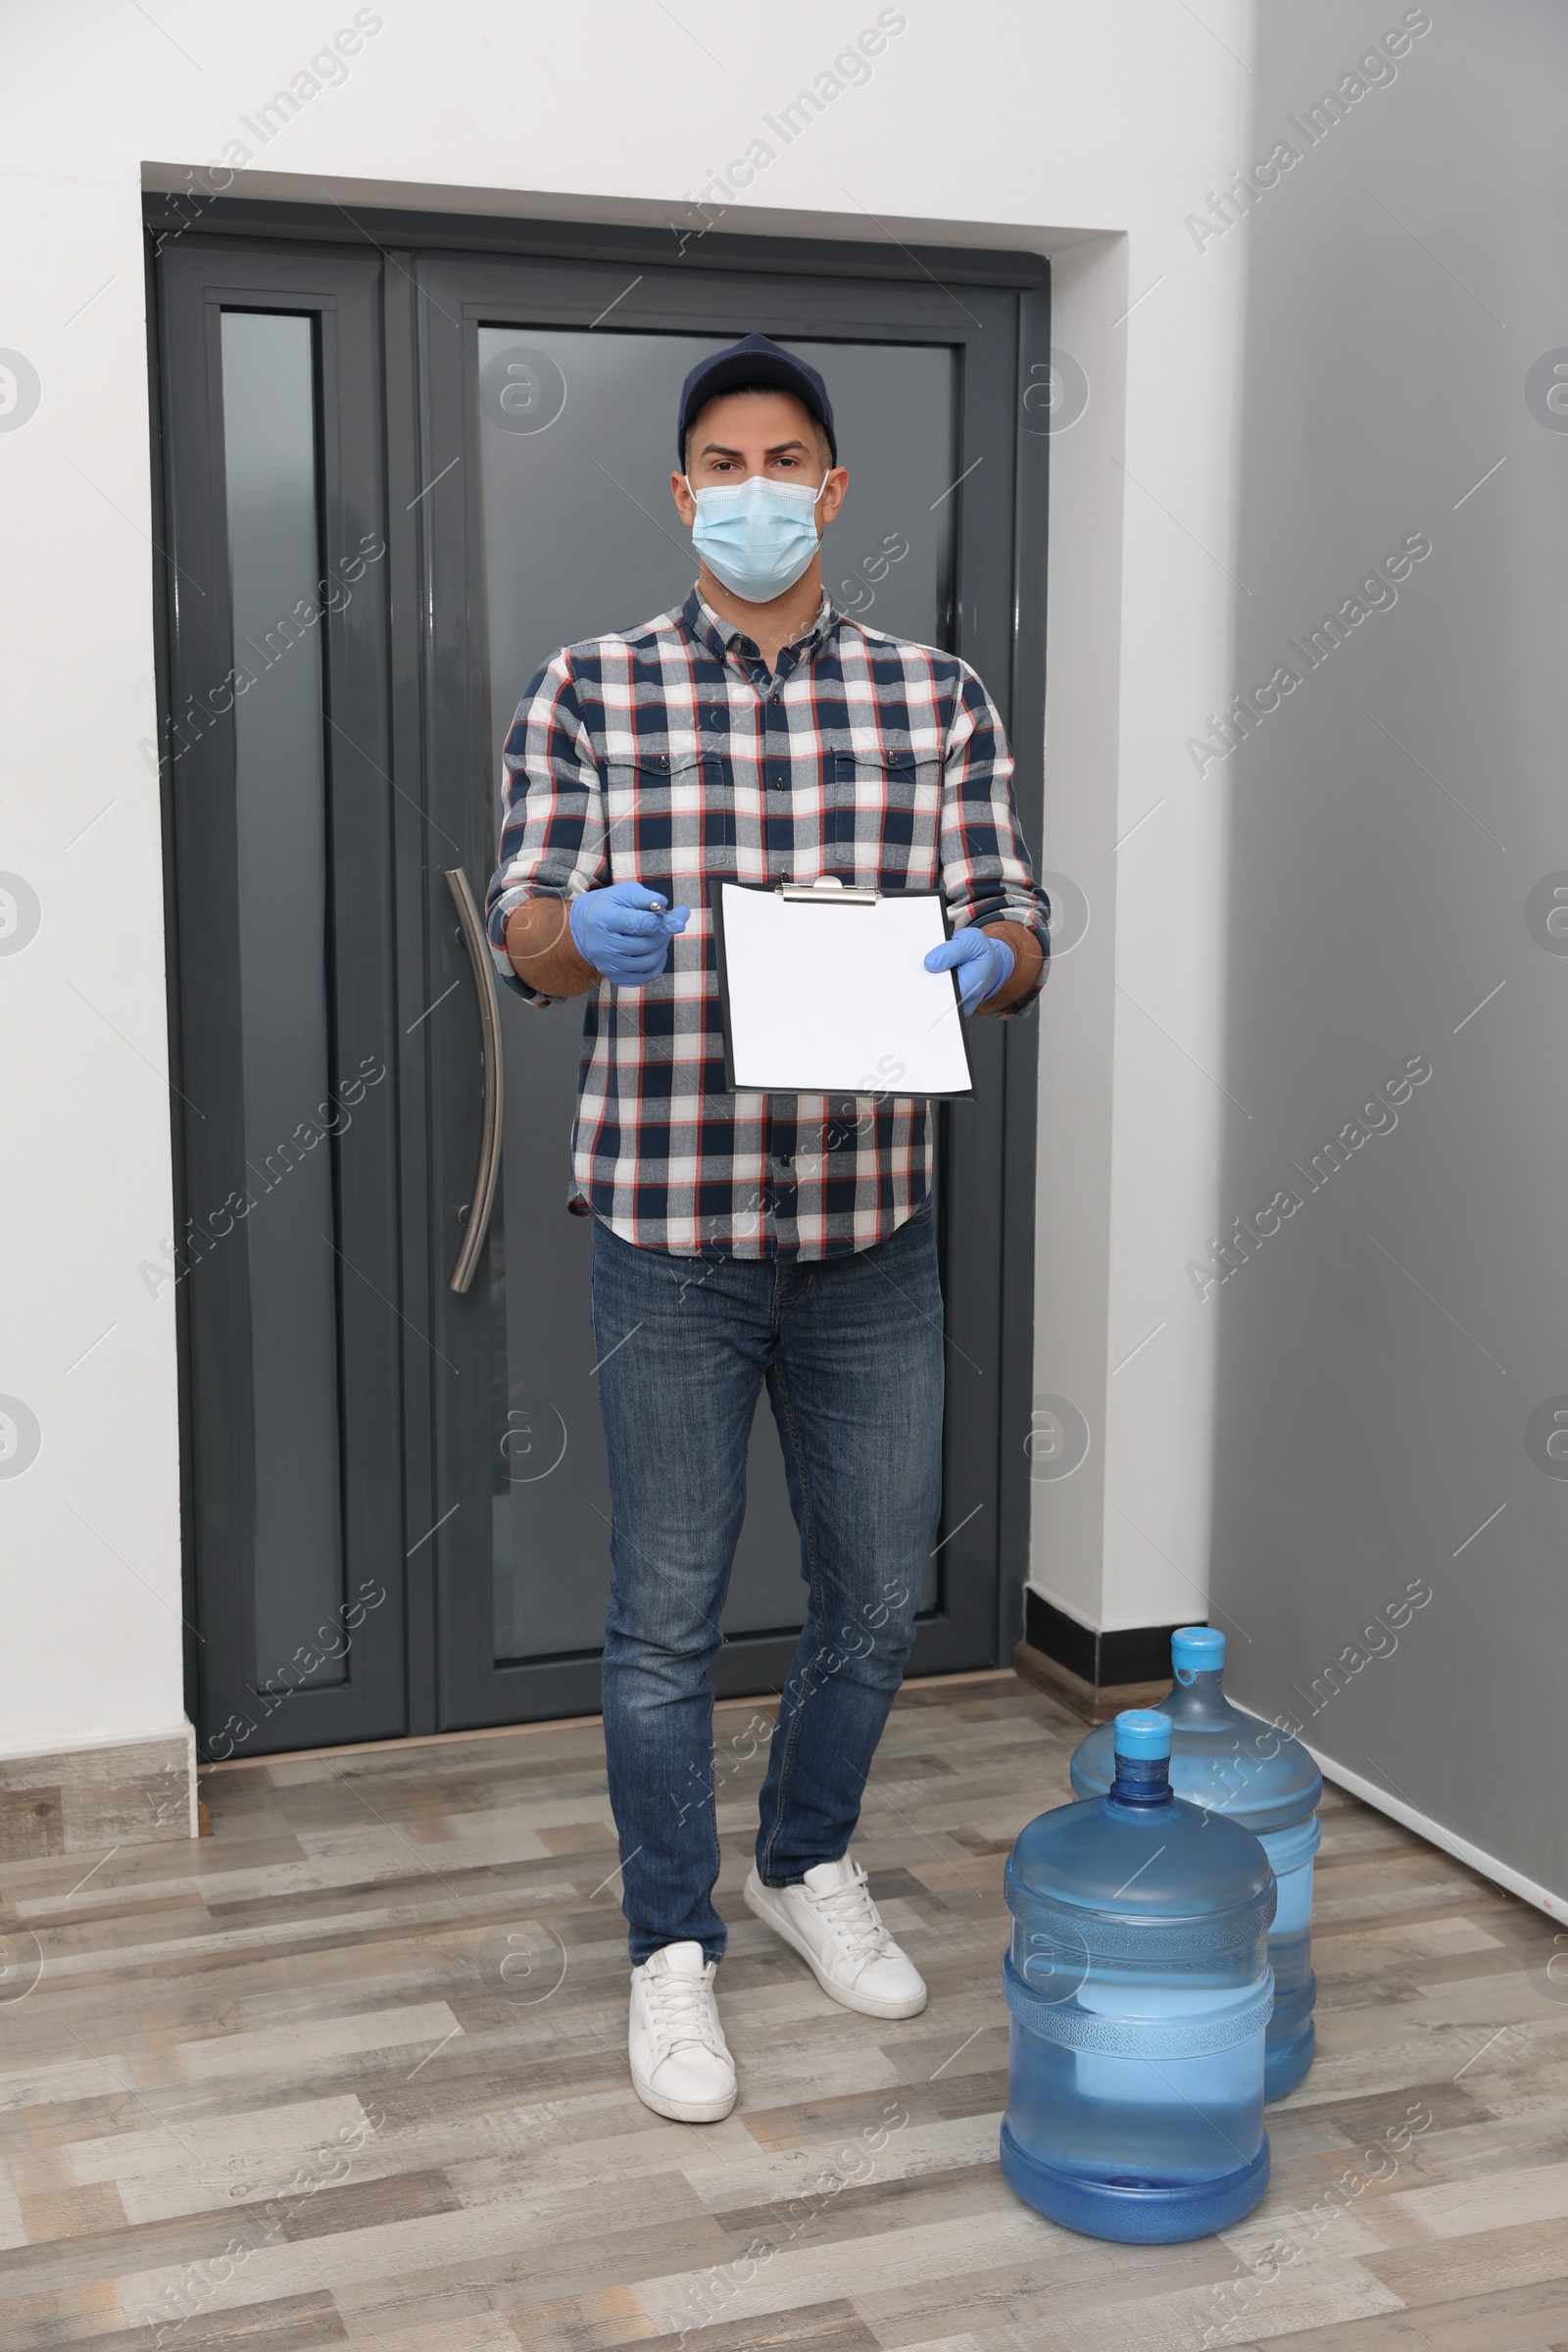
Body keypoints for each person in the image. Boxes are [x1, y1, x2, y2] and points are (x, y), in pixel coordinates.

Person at [485, 333, 1050, 2124]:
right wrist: (589, 938)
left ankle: (804, 1862)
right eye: (718, 463)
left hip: (873, 1226)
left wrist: (991, 964)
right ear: (681, 493)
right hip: (672, 1226)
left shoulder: (934, 697)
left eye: (782, 458)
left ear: (832, 487)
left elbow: (1016, 911)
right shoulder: (587, 691)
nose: (751, 489)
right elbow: (523, 927)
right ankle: (673, 1945)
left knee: (876, 1593)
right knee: (663, 1615)